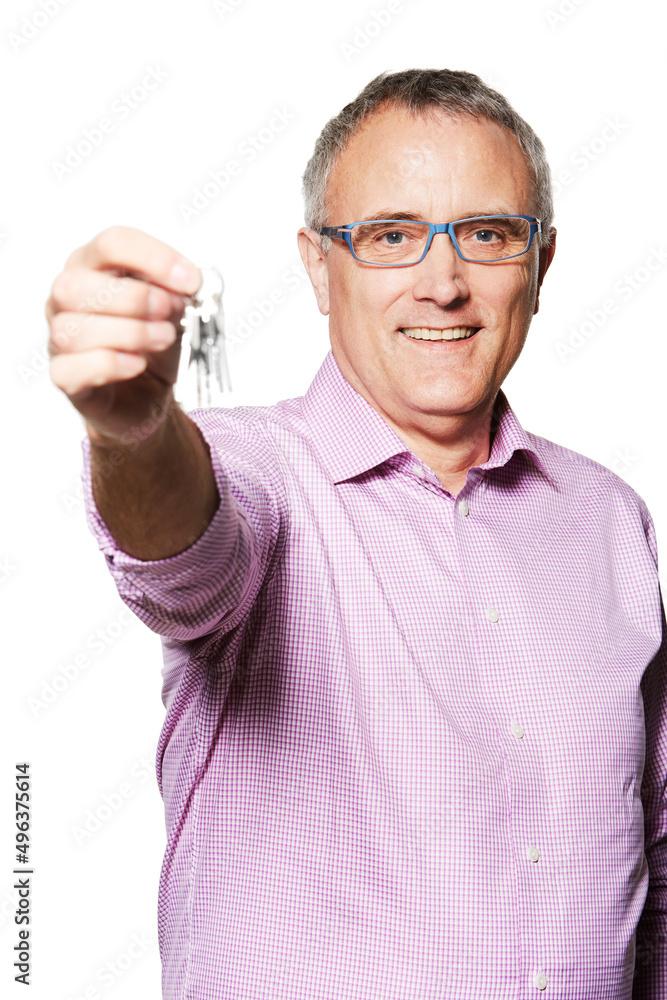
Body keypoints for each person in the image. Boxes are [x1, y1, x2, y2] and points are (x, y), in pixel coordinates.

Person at [46, 68, 666, 999]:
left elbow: (652, 870)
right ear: (317, 265)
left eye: (488, 235)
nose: (443, 283)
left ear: (539, 263)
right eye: (390, 237)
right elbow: (182, 560)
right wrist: (131, 429)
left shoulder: (608, 519)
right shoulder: (248, 473)